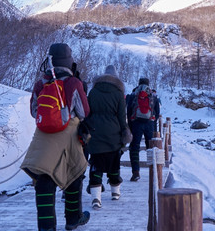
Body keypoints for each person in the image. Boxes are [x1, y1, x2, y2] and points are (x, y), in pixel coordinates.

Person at [21, 43, 91, 231]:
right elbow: (84, 112)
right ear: (69, 60)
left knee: (44, 179)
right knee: (74, 173)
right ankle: (72, 219)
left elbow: (34, 112)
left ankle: (46, 226)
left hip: (43, 137)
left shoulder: (40, 83)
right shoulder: (74, 83)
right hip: (69, 136)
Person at [85, 65, 127, 209]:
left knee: (96, 164)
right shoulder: (118, 93)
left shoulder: (94, 91)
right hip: (113, 134)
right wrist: (125, 133)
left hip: (95, 133)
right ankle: (115, 192)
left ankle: (96, 198)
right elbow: (122, 117)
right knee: (114, 163)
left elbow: (87, 113)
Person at [127, 77, 158, 182]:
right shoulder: (153, 96)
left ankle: (136, 172)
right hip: (149, 123)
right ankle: (153, 171)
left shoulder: (133, 95)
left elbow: (128, 111)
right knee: (151, 148)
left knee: (134, 148)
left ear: (139, 83)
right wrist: (153, 125)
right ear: (148, 84)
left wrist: (130, 126)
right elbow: (157, 113)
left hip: (136, 124)